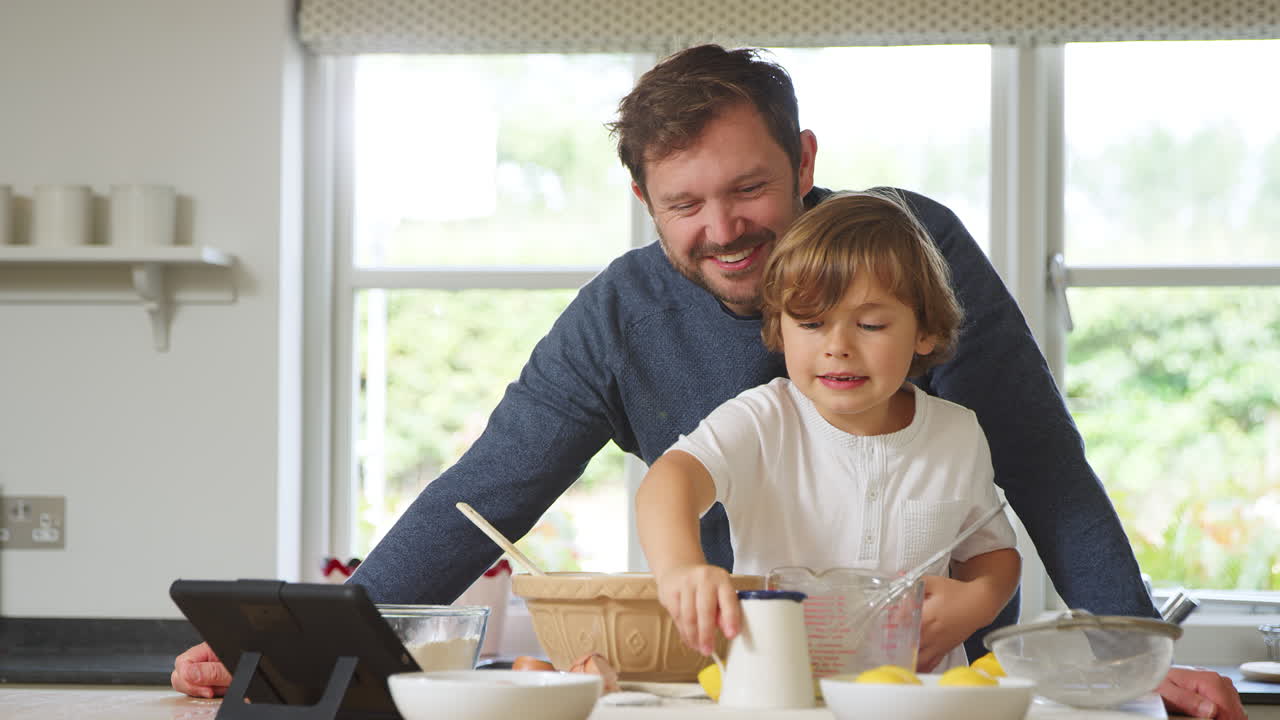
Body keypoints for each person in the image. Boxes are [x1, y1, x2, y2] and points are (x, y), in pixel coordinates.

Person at [173, 44, 1245, 720]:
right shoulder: (619, 315)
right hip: (719, 688)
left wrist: (1132, 661)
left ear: (803, 158)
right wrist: (298, 656)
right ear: (643, 199)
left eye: (747, 189)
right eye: (683, 204)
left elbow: (1041, 476)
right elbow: (484, 492)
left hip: (906, 693)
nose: (721, 230)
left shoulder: (914, 250)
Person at [637, 190, 1021, 672]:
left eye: (871, 324)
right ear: (780, 328)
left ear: (924, 330)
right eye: (812, 323)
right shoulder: (764, 419)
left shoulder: (957, 434)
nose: (838, 346)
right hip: (779, 693)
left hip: (913, 701)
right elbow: (667, 483)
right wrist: (682, 569)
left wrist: (978, 602)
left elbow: (992, 553)